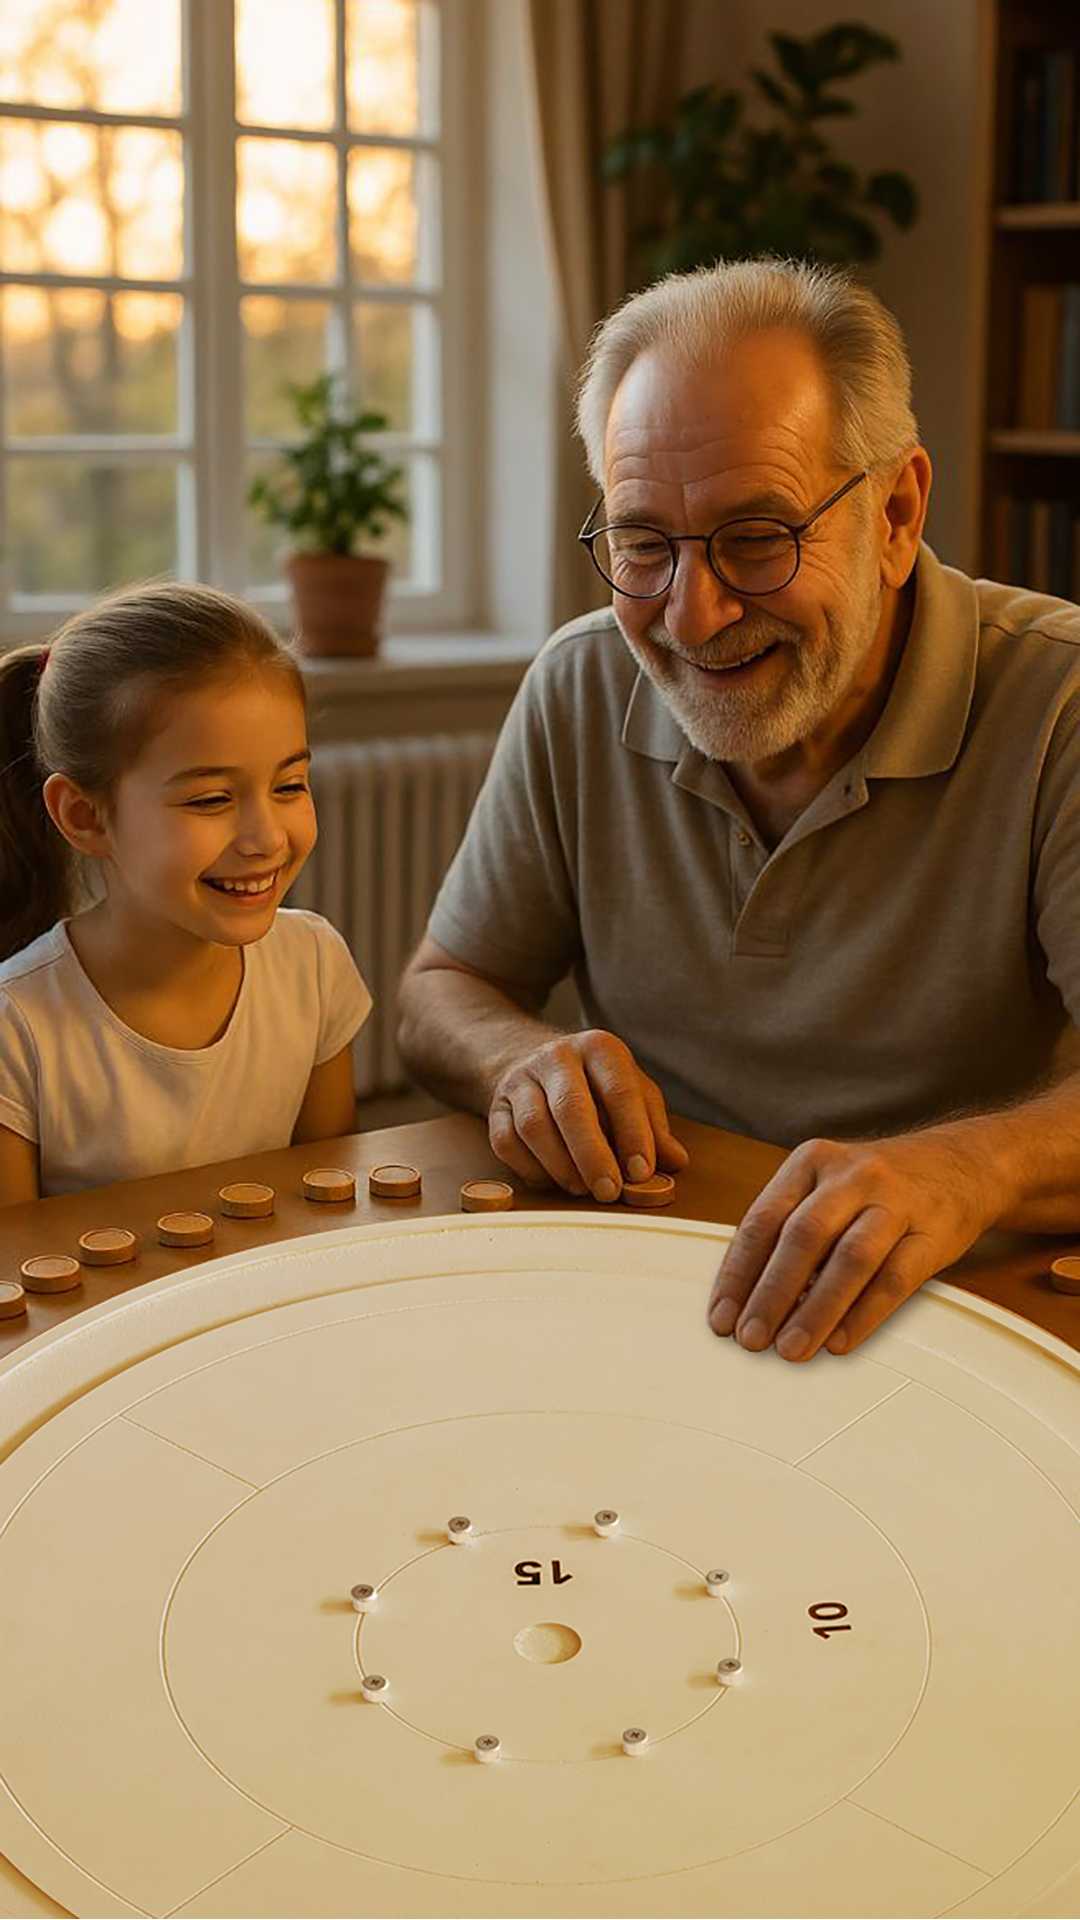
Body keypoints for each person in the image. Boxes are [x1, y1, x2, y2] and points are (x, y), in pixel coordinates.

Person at [398, 256, 1080, 1363]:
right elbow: (441, 991)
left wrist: (971, 1166)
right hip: (656, 1274)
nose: (692, 613)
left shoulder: (1060, 699)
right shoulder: (579, 684)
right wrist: (518, 1060)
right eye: (641, 544)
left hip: (955, 1308)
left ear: (898, 512)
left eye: (757, 538)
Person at [0, 581, 371, 1204]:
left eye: (289, 785)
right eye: (210, 800)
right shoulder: (18, 1029)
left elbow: (325, 1208)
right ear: (86, 816)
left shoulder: (315, 965)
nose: (265, 838)